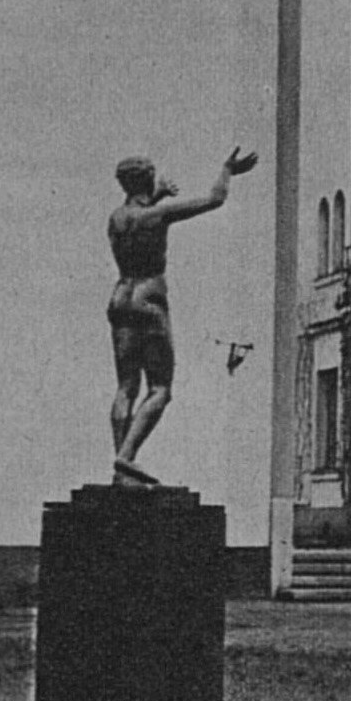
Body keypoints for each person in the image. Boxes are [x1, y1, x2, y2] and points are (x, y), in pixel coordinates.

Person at [107, 146, 257, 487]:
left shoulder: (115, 218)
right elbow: (214, 199)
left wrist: (155, 195)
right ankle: (126, 456)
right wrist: (227, 169)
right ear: (148, 180)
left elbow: (137, 217)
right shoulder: (159, 215)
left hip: (120, 297)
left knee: (126, 386)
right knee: (160, 388)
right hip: (149, 298)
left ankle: (122, 471)